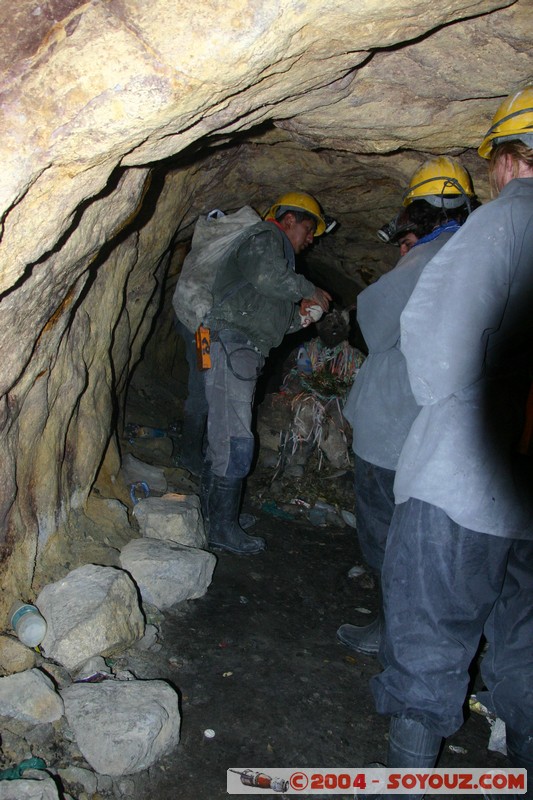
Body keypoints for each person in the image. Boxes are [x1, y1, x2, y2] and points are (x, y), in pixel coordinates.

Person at [370, 86, 533, 799]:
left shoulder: (504, 221)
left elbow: (432, 342)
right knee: (526, 648)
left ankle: (409, 774)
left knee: (429, 635)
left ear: (507, 158)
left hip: (464, 481)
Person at [337, 157, 477, 655]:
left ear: (416, 211)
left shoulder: (423, 258)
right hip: (438, 427)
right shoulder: (475, 251)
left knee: (384, 534)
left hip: (393, 428)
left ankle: (392, 631)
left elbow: (373, 325)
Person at [200, 191, 332, 555]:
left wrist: (305, 315)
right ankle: (222, 529)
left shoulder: (276, 260)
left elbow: (273, 320)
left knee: (225, 432)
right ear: (288, 220)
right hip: (230, 342)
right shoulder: (265, 237)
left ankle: (217, 518)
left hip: (237, 344)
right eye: (308, 229)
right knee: (236, 438)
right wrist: (310, 289)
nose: (310, 240)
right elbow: (265, 276)